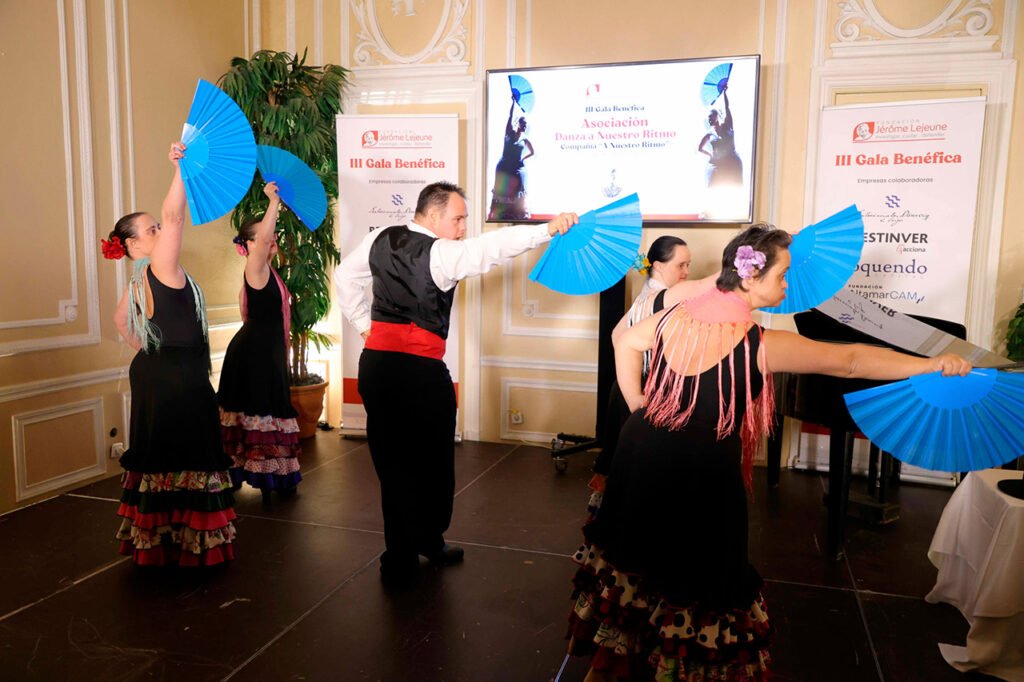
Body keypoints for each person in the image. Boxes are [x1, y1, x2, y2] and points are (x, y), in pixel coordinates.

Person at [565, 224, 971, 680]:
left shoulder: (676, 315)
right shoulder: (756, 343)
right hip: (700, 471)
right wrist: (932, 364)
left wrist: (640, 406)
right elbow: (851, 360)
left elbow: (626, 340)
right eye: (783, 275)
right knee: (701, 579)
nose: (787, 284)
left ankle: (612, 668)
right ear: (751, 278)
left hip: (640, 452)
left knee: (639, 560)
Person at [335, 181, 577, 584]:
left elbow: (344, 277)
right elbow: (490, 250)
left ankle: (401, 555)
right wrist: (545, 230)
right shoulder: (442, 254)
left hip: (376, 366)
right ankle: (427, 540)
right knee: (432, 463)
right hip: (419, 373)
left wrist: (364, 327)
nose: (464, 226)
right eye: (459, 218)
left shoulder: (379, 238)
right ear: (431, 215)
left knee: (392, 464)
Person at [103, 142, 236, 566]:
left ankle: (160, 539)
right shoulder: (159, 265)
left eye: (158, 226)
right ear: (132, 243)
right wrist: (179, 167)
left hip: (154, 373)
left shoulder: (137, 277)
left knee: (159, 456)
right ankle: (190, 543)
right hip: (179, 376)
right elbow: (176, 214)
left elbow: (121, 321)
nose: (161, 230)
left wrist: (149, 354)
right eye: (152, 229)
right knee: (188, 453)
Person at [588, 236, 692, 512]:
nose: (686, 272)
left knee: (622, 459)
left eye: (688, 265)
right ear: (658, 265)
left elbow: (617, 335)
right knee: (635, 464)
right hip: (639, 389)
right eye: (681, 265)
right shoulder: (659, 299)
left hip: (628, 386)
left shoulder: (649, 294)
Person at [217, 182, 302, 501]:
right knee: (260, 410)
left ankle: (267, 476)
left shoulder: (267, 270)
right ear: (249, 244)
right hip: (255, 354)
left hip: (264, 352)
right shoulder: (256, 267)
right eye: (267, 237)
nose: (273, 240)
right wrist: (273, 202)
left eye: (274, 237)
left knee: (262, 410)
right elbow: (266, 236)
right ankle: (265, 478)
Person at [488, 94, 535, 221]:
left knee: (518, 191)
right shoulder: (510, 133)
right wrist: (513, 102)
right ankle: (500, 214)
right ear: (518, 123)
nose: (524, 126)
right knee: (503, 191)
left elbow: (532, 152)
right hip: (504, 167)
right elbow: (510, 117)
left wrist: (523, 159)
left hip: (517, 168)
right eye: (522, 123)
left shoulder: (525, 140)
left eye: (526, 124)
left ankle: (518, 215)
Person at [697, 85, 743, 189]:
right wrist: (710, 154)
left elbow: (727, 108)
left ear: (717, 117)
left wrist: (725, 94)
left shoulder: (727, 126)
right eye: (708, 118)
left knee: (734, 185)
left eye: (711, 117)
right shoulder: (709, 134)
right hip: (717, 164)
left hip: (732, 162)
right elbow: (699, 148)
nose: (709, 119)